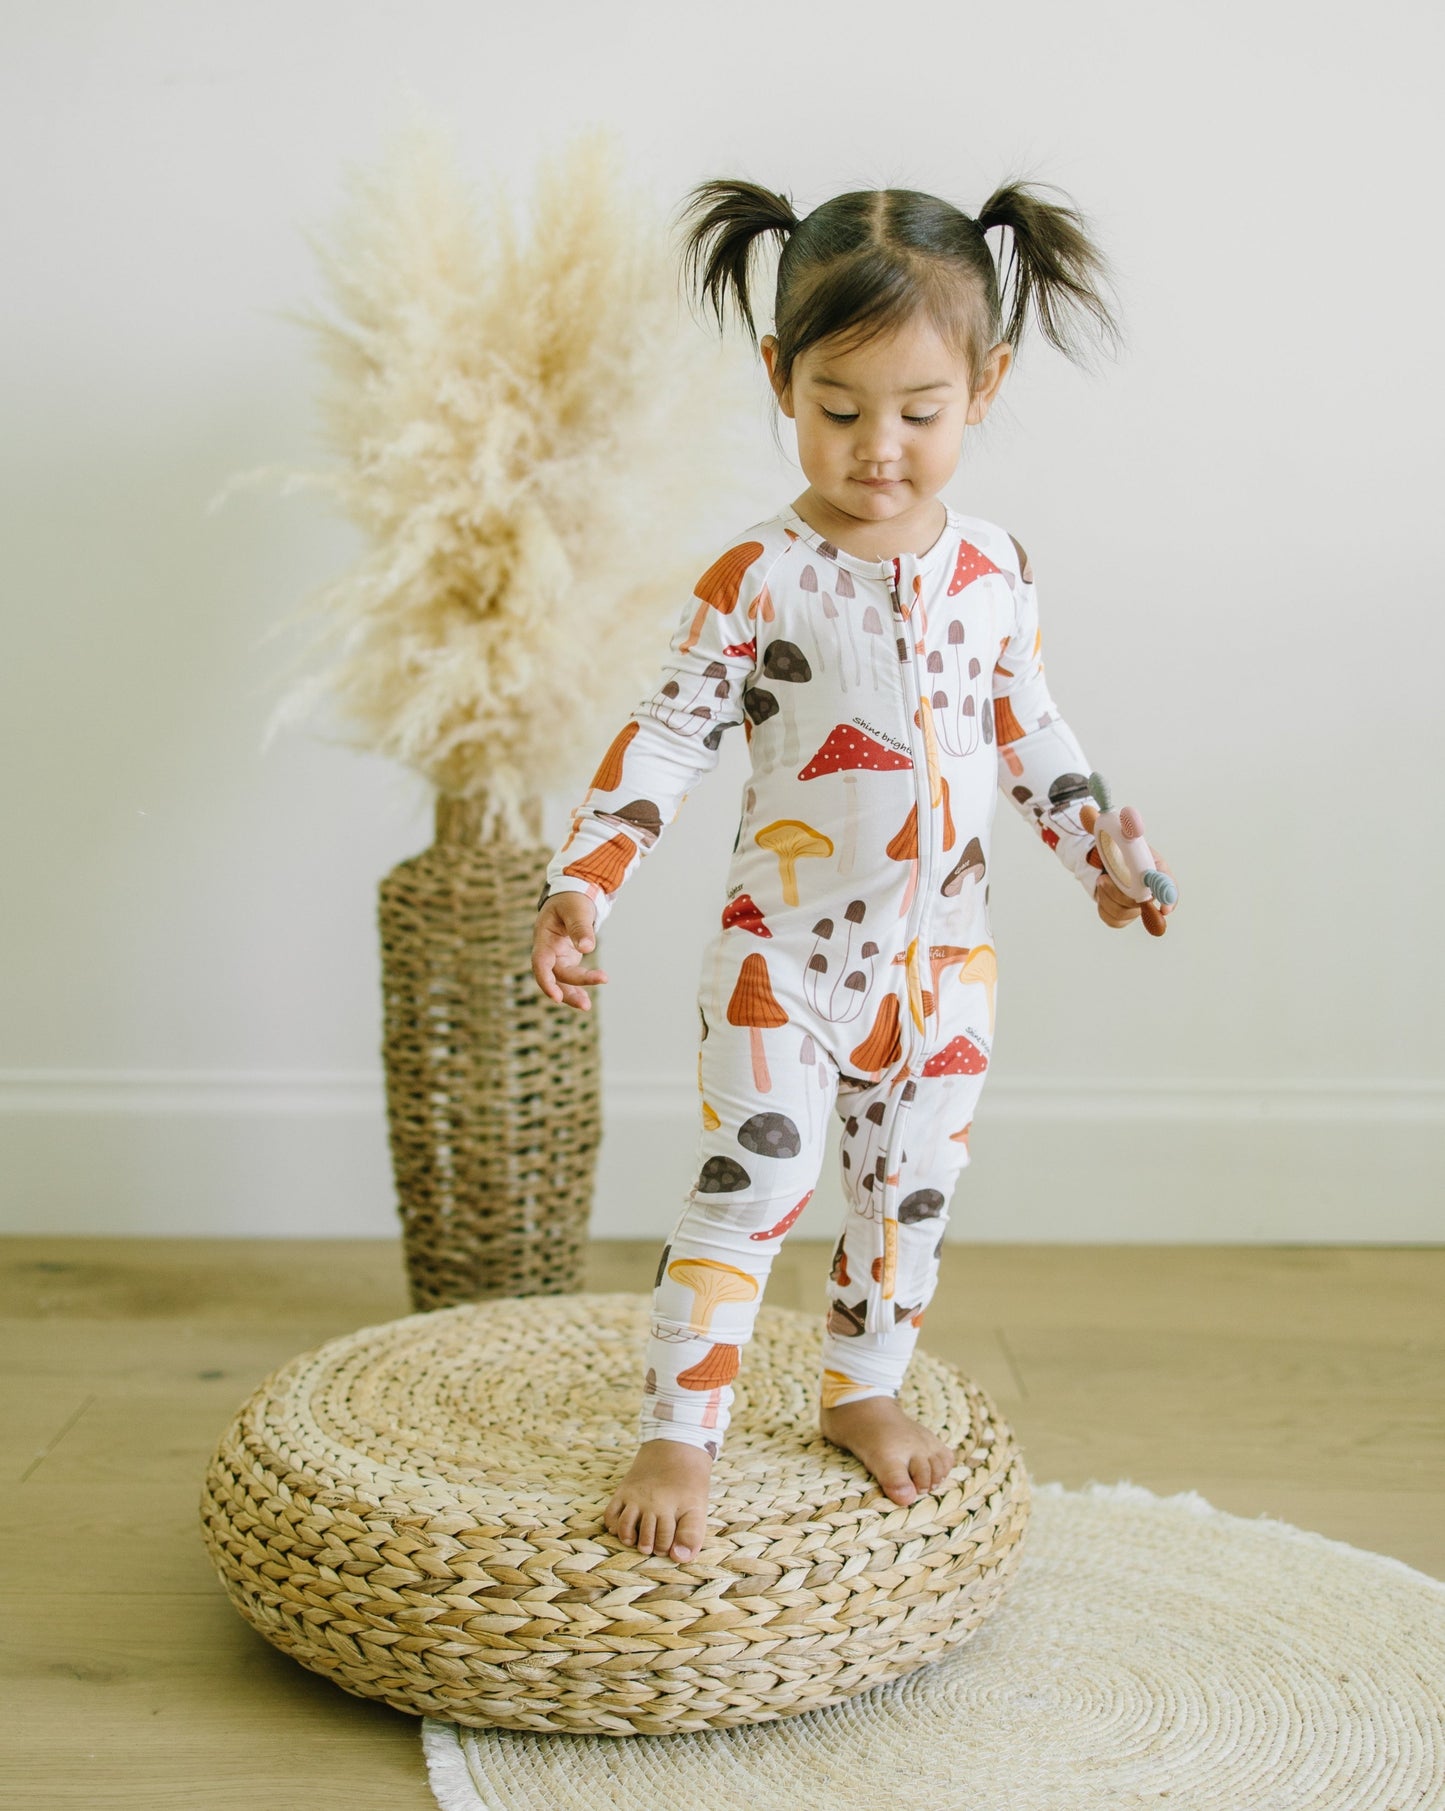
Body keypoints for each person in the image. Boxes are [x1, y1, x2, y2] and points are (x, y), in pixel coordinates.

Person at [531, 176, 1176, 1566]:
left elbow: (1029, 732)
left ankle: (861, 1391)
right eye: (838, 409)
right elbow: (660, 739)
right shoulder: (752, 580)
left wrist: (1100, 859)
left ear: (985, 386)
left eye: (917, 412)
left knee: (905, 1200)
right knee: (750, 1193)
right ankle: (679, 1430)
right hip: (783, 969)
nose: (877, 448)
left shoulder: (998, 569)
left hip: (945, 968)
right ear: (778, 378)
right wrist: (582, 881)